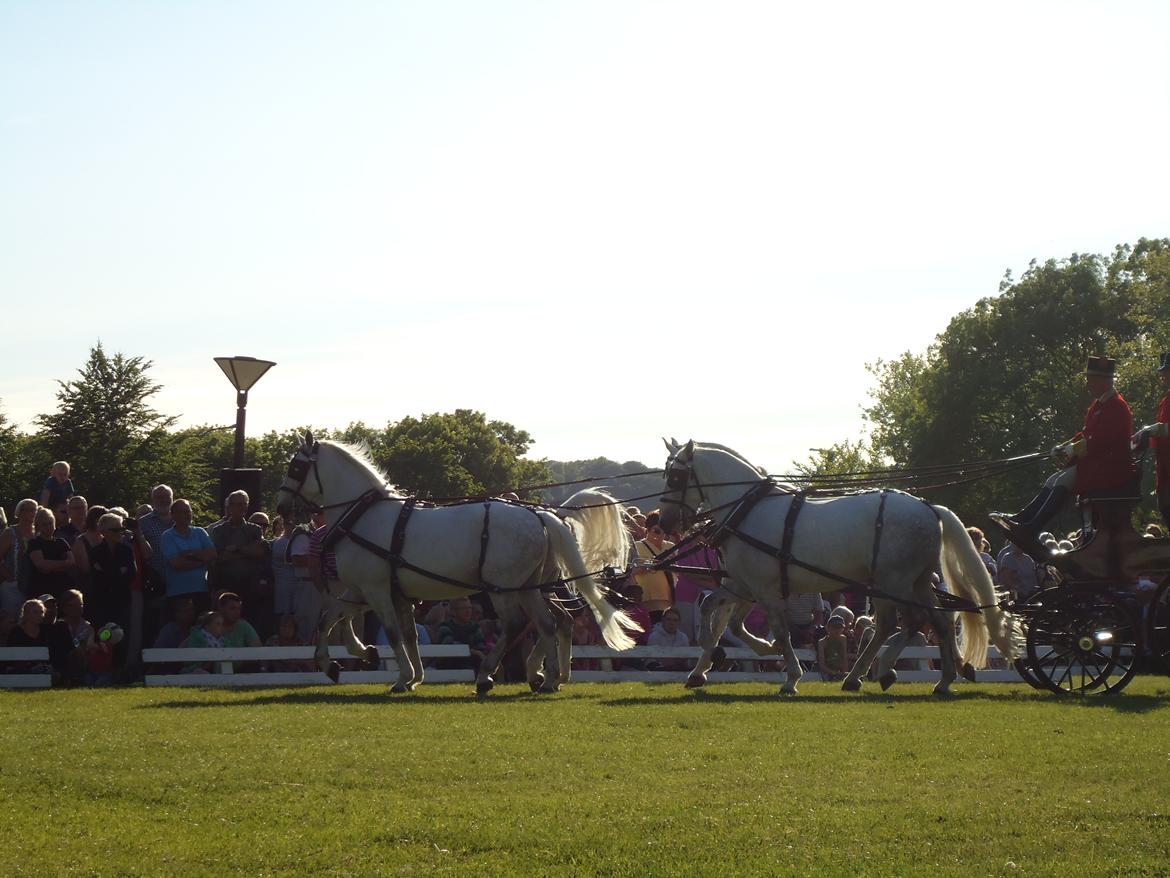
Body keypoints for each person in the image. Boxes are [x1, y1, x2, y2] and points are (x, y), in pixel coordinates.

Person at [994, 356, 1137, 540]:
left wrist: (1073, 450)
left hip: (1109, 468)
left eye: (1091, 379)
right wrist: (1063, 447)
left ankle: (1032, 527)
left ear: (1104, 381)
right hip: (1096, 464)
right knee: (1054, 479)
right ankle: (1022, 519)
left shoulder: (1117, 406)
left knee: (1062, 479)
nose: (1088, 384)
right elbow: (1086, 435)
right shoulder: (1099, 404)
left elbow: (1101, 441)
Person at [208, 491, 270, 635]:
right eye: (236, 504)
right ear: (229, 507)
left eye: (243, 504)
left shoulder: (254, 529)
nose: (240, 508)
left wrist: (236, 549)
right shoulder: (219, 531)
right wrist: (247, 551)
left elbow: (260, 552)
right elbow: (221, 556)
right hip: (226, 586)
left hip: (250, 587)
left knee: (250, 625)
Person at [1132, 352, 1170, 529]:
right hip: (1165, 463)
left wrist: (1152, 429)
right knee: (1164, 506)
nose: (1163, 375)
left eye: (1167, 371)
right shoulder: (1165, 401)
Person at [160, 500, 217, 614]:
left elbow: (212, 554)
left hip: (201, 590)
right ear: (173, 515)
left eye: (188, 511)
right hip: (178, 592)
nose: (186, 515)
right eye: (181, 512)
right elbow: (176, 564)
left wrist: (190, 554)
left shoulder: (200, 532)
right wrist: (201, 561)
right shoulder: (167, 536)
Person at [633, 511, 675, 621]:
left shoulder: (671, 546)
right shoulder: (638, 546)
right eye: (656, 531)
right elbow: (633, 570)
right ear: (648, 529)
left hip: (670, 596)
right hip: (649, 597)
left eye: (664, 531)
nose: (660, 534)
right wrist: (653, 564)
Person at [27, 506, 75, 601]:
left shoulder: (61, 542)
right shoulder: (35, 543)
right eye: (44, 525)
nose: (48, 527)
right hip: (42, 588)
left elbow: (72, 562)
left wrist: (51, 565)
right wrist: (63, 564)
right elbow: (41, 565)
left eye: (50, 523)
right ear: (38, 526)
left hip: (62, 587)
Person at [0, 499, 38, 614]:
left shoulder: (37, 533)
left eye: (35, 510)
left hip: (33, 583)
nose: (33, 513)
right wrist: (7, 574)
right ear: (20, 512)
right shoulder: (10, 533)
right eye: (29, 510)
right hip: (13, 585)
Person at [437, 596, 486, 672]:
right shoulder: (445, 626)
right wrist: (472, 651)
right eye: (463, 608)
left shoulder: (475, 626)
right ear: (453, 611)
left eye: (470, 608)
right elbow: (449, 645)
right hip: (449, 665)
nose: (468, 611)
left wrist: (476, 652)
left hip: (472, 664)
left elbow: (481, 646)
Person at [817, 614, 850, 681]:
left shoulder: (843, 639)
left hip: (839, 670)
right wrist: (834, 673)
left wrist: (844, 673)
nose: (837, 630)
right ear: (828, 628)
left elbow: (844, 657)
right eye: (834, 627)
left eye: (839, 627)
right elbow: (822, 664)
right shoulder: (822, 642)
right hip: (826, 671)